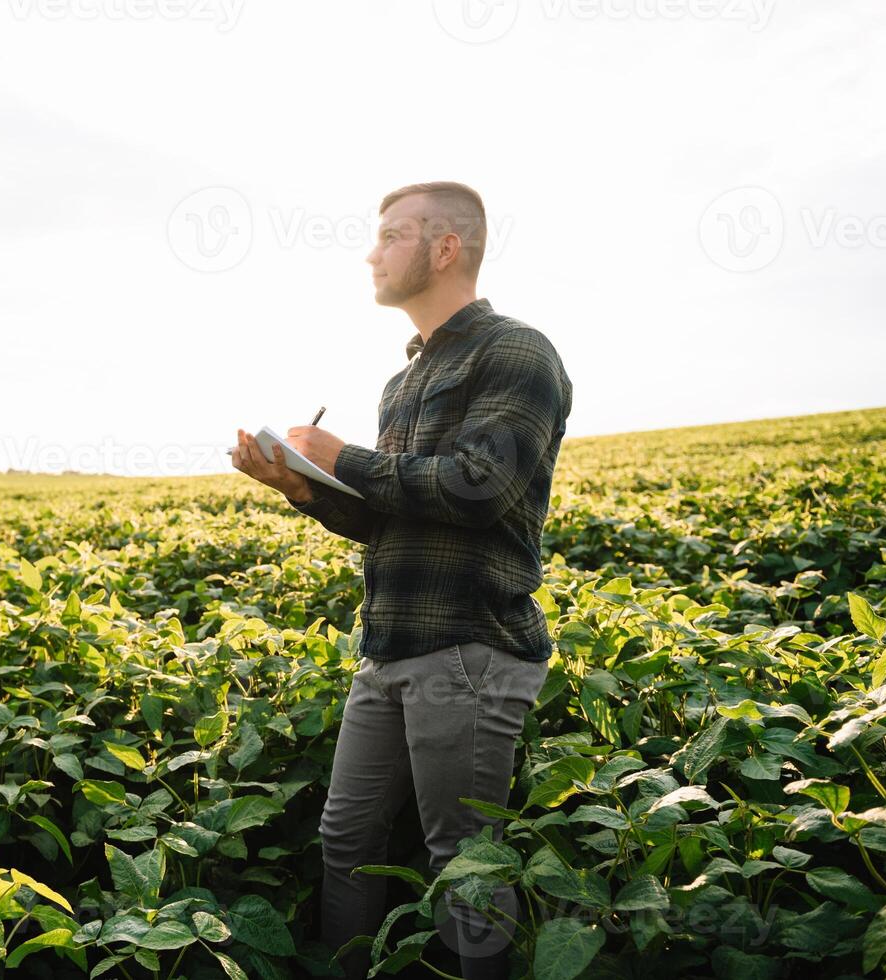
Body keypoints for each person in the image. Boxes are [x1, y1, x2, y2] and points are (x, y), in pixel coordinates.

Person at [230, 181, 573, 980]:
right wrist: (304, 487)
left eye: (390, 235)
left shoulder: (517, 352)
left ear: (445, 248)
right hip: (387, 646)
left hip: (470, 646)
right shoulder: (403, 380)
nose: (371, 251)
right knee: (345, 839)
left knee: (464, 859)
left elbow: (478, 489)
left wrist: (340, 454)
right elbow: (395, 514)